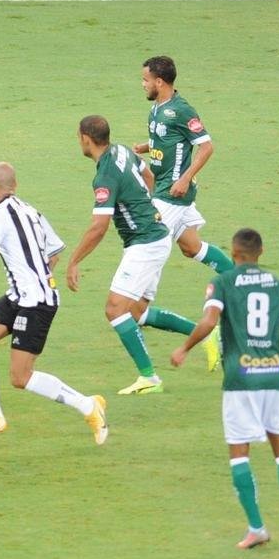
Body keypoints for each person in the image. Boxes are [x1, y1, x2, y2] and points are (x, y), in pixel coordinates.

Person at [0, 163, 107, 444]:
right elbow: (55, 252)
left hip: (35, 303)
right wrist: (36, 276)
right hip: (19, 296)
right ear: (15, 185)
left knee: (20, 377)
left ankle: (88, 406)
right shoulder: (31, 211)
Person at [171, 228, 279, 549]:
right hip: (272, 376)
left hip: (240, 379)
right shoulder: (278, 284)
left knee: (239, 453)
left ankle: (257, 528)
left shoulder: (223, 282)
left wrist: (185, 348)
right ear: (261, 252)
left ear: (233, 254)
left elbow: (208, 322)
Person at [66, 115, 216, 395]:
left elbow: (99, 227)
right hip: (155, 235)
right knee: (136, 311)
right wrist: (144, 206)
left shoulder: (105, 175)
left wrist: (74, 261)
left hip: (145, 243)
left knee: (115, 309)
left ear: (86, 139)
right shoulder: (122, 150)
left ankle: (149, 377)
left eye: (78, 137)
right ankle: (205, 332)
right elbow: (149, 177)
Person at [134, 55, 233, 369]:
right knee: (191, 247)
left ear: (159, 81)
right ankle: (241, 280)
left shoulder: (182, 110)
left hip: (171, 193)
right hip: (165, 188)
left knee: (150, 241)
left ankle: (138, 297)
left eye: (146, 80)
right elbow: (167, 139)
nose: (143, 84)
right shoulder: (156, 108)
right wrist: (145, 147)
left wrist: (185, 178)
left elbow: (206, 146)